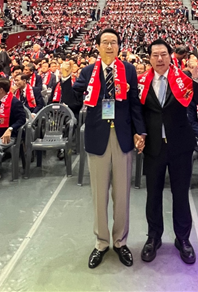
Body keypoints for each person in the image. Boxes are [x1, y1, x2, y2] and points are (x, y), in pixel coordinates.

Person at [60, 28, 146, 269]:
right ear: (97, 46)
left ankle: (120, 242)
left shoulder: (128, 70)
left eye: (114, 42)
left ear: (119, 46)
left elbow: (135, 104)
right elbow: (74, 103)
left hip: (123, 136)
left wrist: (141, 131)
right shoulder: (88, 72)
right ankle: (101, 242)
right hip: (98, 137)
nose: (110, 46)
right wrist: (66, 79)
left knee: (122, 194)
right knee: (98, 195)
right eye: (105, 42)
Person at [137, 38, 198, 265]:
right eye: (155, 55)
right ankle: (153, 237)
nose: (159, 59)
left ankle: (183, 239)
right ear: (149, 58)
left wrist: (196, 79)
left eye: (163, 54)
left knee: (181, 195)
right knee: (153, 195)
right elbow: (138, 113)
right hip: (154, 148)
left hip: (180, 147)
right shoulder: (142, 83)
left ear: (170, 56)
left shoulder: (182, 80)